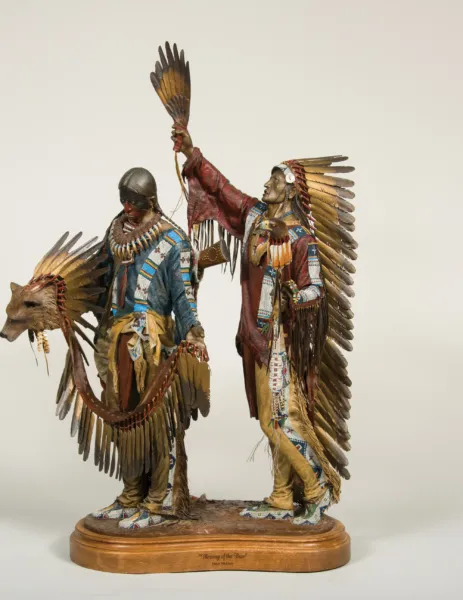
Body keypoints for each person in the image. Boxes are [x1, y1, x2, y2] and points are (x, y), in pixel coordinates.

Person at [173, 127, 349, 525]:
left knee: (277, 421)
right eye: (268, 180)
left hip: (279, 343)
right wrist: (192, 154)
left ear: (290, 191)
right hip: (253, 335)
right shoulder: (255, 216)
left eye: (275, 181)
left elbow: (315, 290)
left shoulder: (301, 240)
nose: (267, 185)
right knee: (271, 418)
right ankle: (282, 495)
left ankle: (317, 488)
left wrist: (293, 294)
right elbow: (222, 189)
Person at [91, 166, 207, 529]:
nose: (127, 208)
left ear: (150, 201)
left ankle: (160, 500)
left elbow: (183, 296)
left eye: (134, 202)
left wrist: (194, 332)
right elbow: (101, 282)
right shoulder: (115, 234)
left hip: (153, 343)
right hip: (117, 341)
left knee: (156, 421)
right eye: (123, 200)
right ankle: (132, 493)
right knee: (123, 415)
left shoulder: (173, 241)